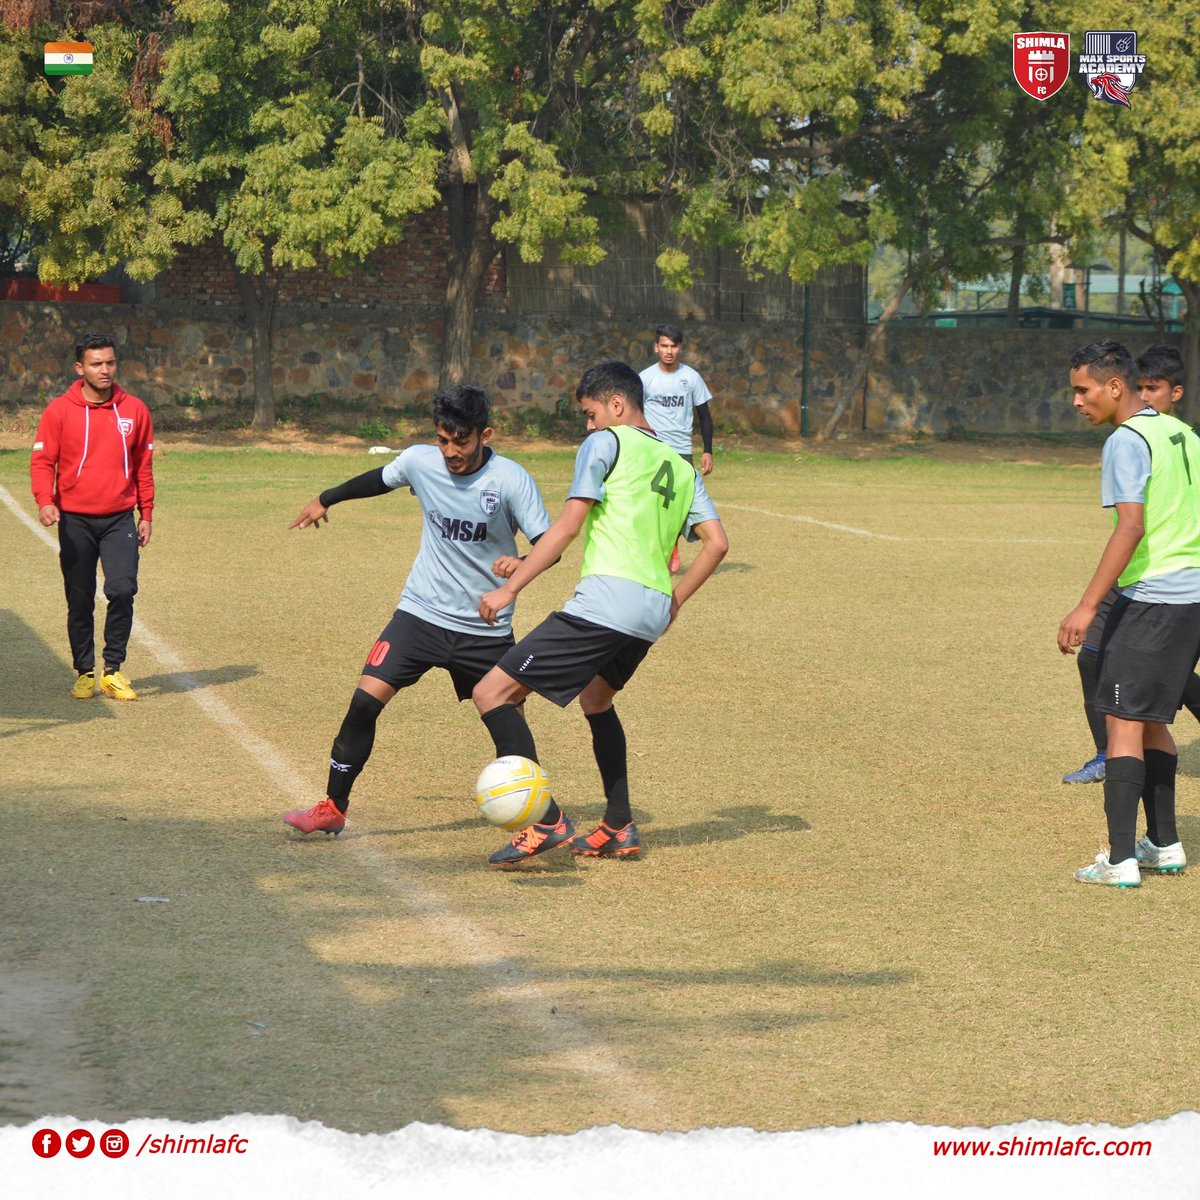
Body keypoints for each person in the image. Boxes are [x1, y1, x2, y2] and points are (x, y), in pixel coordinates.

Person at [471, 361, 728, 867]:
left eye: (590, 414)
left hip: (606, 603)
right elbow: (717, 545)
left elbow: (565, 529)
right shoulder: (681, 465)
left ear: (615, 405)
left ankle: (546, 819)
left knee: (491, 691)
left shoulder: (605, 444)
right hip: (650, 610)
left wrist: (510, 588)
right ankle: (619, 825)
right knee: (596, 698)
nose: (588, 426)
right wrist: (672, 602)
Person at [282, 385, 551, 836]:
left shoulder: (510, 479)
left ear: (485, 434)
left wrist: (522, 563)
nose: (450, 452)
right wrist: (326, 498)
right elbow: (378, 479)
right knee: (364, 703)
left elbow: (549, 545)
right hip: (420, 615)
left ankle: (537, 821)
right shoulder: (421, 461)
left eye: (460, 441)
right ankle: (333, 806)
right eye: (443, 440)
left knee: (509, 724)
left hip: (484, 628)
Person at [1058, 340, 1200, 887]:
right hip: (1188, 597)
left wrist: (1087, 604)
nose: (1077, 401)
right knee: (1152, 721)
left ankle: (1119, 862)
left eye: (1082, 389)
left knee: (1121, 724)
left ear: (1115, 387)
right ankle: (1164, 844)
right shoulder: (1180, 430)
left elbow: (1132, 526)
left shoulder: (1127, 438)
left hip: (1155, 595)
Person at [30, 332, 154, 701]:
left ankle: (112, 671)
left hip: (119, 519)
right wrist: (44, 500)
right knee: (80, 597)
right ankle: (85, 671)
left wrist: (146, 512)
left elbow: (144, 467)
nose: (105, 370)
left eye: (110, 362)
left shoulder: (135, 410)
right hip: (75, 521)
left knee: (122, 589)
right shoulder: (59, 411)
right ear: (79, 367)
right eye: (97, 363)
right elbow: (42, 462)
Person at [640, 323, 715, 572]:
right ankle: (659, 548)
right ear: (656, 347)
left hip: (682, 450)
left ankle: (671, 543)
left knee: (676, 503)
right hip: (652, 449)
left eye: (673, 346)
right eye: (664, 346)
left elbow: (704, 415)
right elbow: (634, 413)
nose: (669, 351)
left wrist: (708, 450)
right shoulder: (645, 378)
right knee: (652, 501)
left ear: (680, 348)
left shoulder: (691, 378)